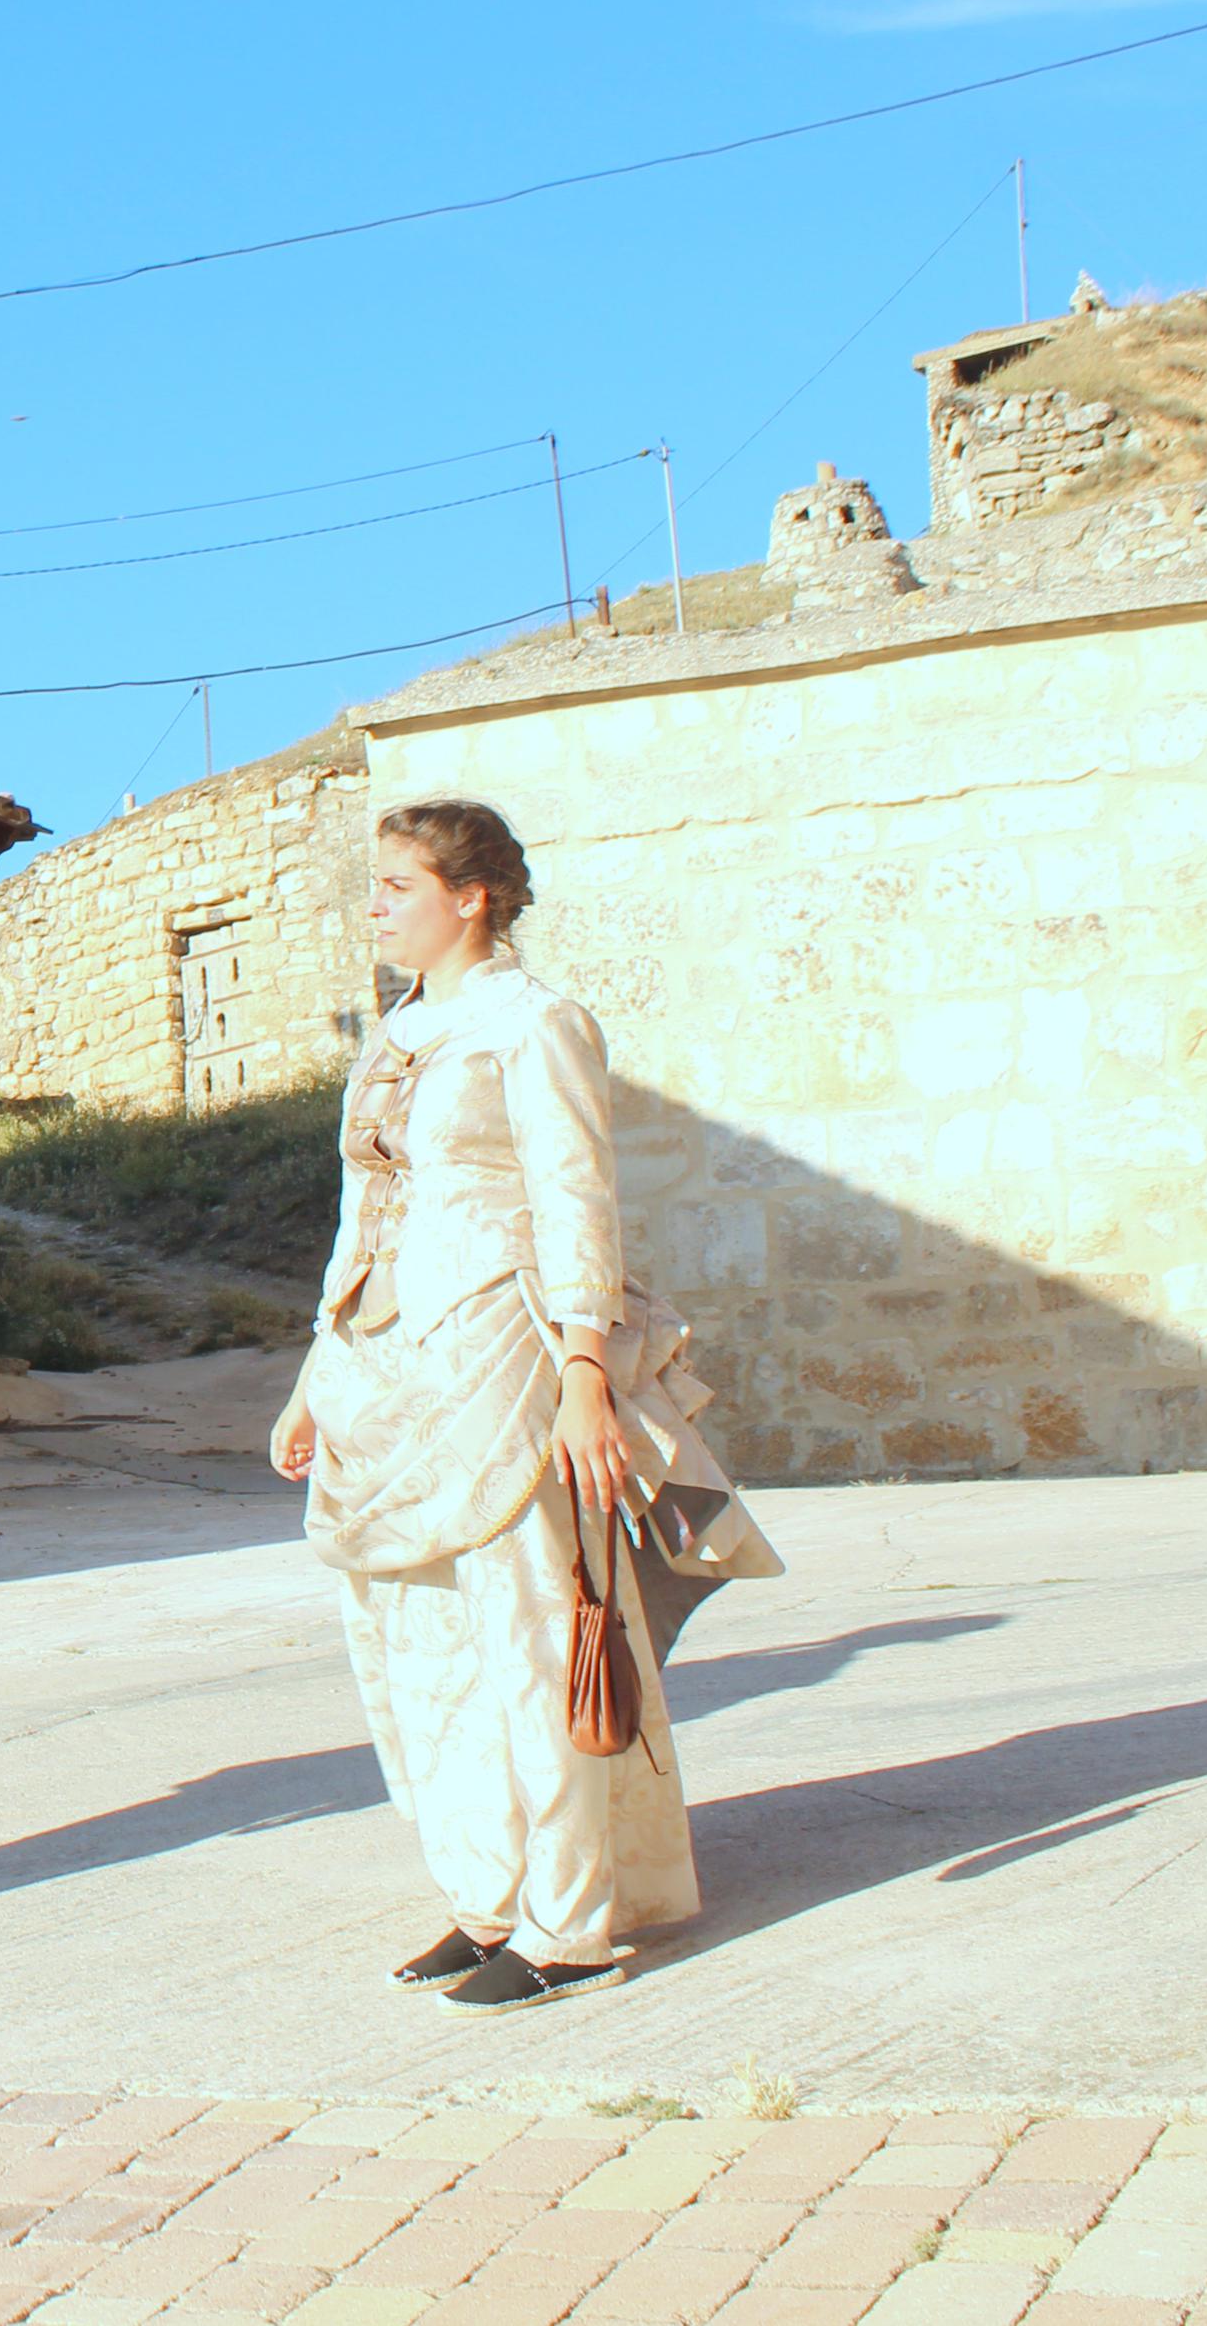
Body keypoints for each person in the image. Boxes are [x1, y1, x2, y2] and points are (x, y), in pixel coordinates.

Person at [269, 799, 780, 2013]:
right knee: (419, 1639)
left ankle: (569, 1918)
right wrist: (311, 1374)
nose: (376, 905)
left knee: (533, 1623)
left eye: (396, 884)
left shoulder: (535, 1022)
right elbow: (362, 1217)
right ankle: (485, 1891)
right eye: (376, 884)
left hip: (505, 1344)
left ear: (470, 897)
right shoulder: (394, 1033)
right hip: (386, 1363)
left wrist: (587, 1376)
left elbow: (574, 1197)